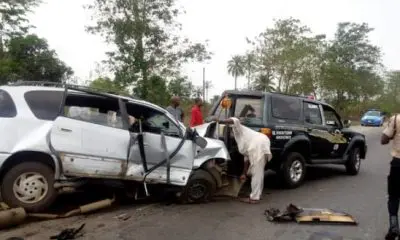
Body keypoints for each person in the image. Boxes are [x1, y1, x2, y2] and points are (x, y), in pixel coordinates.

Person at [217, 117, 272, 204]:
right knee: (257, 172)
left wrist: (219, 120)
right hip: (260, 143)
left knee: (256, 173)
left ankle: (254, 198)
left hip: (258, 144)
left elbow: (235, 121)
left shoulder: (239, 129)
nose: (231, 133)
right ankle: (257, 194)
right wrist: (244, 173)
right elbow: (246, 158)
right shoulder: (241, 140)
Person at [381, 113, 400, 240]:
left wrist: (394, 132)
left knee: (393, 196)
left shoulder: (396, 118)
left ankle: (393, 226)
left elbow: (384, 140)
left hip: (398, 164)